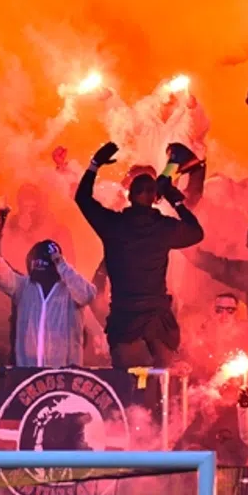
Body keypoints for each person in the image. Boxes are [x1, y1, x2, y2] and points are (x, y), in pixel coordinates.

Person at [76, 142, 204, 367]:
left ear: (129, 196)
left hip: (124, 324)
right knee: (162, 388)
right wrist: (174, 199)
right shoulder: (163, 227)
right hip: (159, 324)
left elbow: (82, 198)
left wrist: (95, 164)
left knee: (127, 391)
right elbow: (196, 233)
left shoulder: (113, 225)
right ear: (155, 198)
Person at [0, 238, 97, 366]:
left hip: (65, 376)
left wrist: (62, 264)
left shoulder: (70, 289)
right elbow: (3, 275)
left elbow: (87, 294)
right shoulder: (24, 286)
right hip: (29, 373)